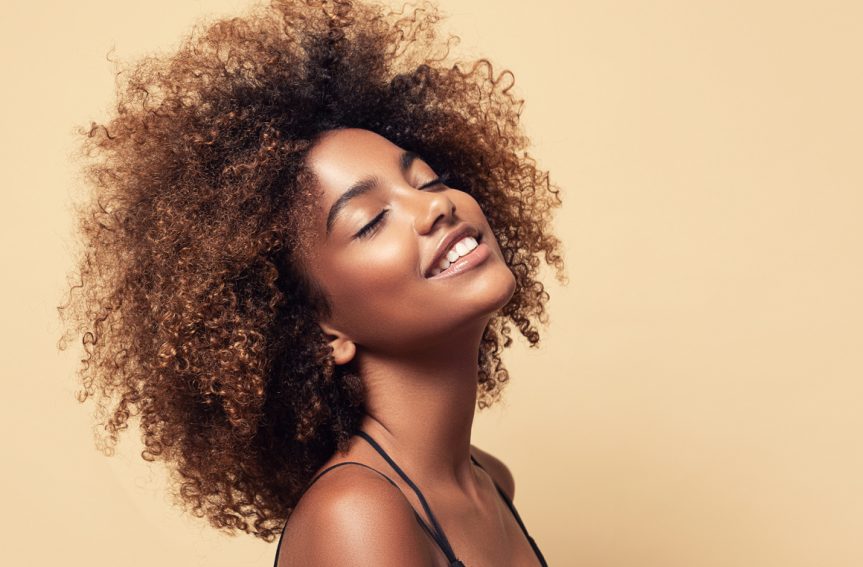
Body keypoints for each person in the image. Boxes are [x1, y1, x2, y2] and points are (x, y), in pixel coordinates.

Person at [57, 0, 566, 565]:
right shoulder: (358, 517)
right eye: (370, 221)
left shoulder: (489, 480)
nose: (435, 207)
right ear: (322, 330)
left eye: (428, 179)